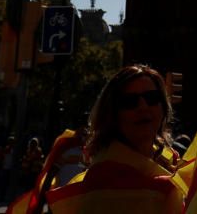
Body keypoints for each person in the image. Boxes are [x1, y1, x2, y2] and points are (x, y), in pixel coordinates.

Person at [46, 65, 184, 214]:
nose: (143, 106)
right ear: (113, 115)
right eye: (130, 102)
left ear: (163, 107)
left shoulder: (172, 163)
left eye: (152, 98)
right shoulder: (103, 181)